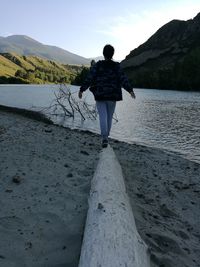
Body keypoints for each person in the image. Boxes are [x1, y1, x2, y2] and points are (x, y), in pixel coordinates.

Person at [78, 44, 136, 148]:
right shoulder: (116, 66)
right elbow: (123, 78)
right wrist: (130, 90)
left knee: (103, 117)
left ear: (103, 54)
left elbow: (90, 77)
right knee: (109, 117)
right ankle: (106, 138)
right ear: (113, 54)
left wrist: (82, 89)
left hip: (100, 94)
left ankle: (104, 138)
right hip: (113, 95)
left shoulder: (98, 65)